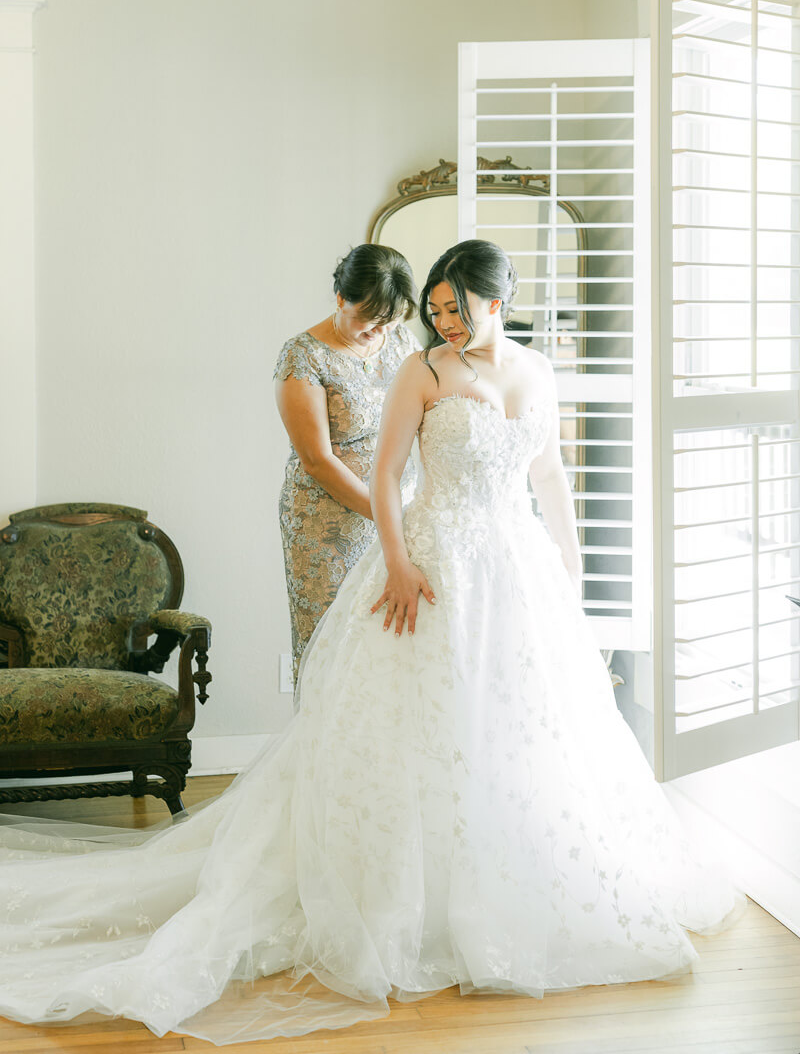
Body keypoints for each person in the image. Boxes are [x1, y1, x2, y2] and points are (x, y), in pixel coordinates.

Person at [0, 240, 745, 1046]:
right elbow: (386, 474)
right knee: (412, 723)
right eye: (437, 309)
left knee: (516, 727)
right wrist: (396, 558)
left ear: (498, 299)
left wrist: (569, 566)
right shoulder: (421, 372)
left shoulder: (538, 373)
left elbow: (551, 475)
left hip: (514, 569)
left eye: (456, 307)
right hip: (427, 563)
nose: (443, 321)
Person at [274, 243, 419, 688]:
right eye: (366, 318)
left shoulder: (401, 342)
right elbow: (317, 460)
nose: (375, 332)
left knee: (391, 638)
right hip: (328, 522)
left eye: (387, 322)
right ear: (340, 297)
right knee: (330, 641)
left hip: (400, 509)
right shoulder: (303, 356)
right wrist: (385, 515)